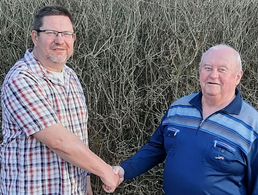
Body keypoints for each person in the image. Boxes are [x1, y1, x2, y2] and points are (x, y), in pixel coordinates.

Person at [0, 5, 119, 194]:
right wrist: (105, 170)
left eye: (66, 33)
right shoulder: (21, 79)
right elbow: (59, 141)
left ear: (73, 39)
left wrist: (87, 187)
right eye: (51, 33)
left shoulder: (71, 77)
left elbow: (79, 139)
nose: (59, 40)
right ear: (35, 37)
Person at [113, 44, 258, 194]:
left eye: (222, 69)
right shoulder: (179, 109)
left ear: (238, 77)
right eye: (207, 68)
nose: (213, 75)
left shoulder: (252, 126)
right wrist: (124, 171)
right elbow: (156, 148)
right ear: (200, 71)